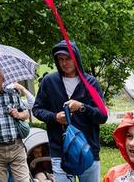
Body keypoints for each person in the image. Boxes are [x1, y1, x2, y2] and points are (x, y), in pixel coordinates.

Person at [32, 41, 108, 182]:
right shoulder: (49, 82)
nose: (64, 63)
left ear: (76, 59)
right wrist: (55, 117)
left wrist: (81, 107)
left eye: (68, 59)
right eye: (60, 59)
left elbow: (102, 116)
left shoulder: (90, 83)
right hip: (60, 151)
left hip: (88, 150)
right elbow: (37, 109)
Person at [0, 66, 30, 182]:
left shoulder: (12, 95)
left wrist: (18, 115)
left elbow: (26, 114)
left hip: (16, 146)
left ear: (3, 79)